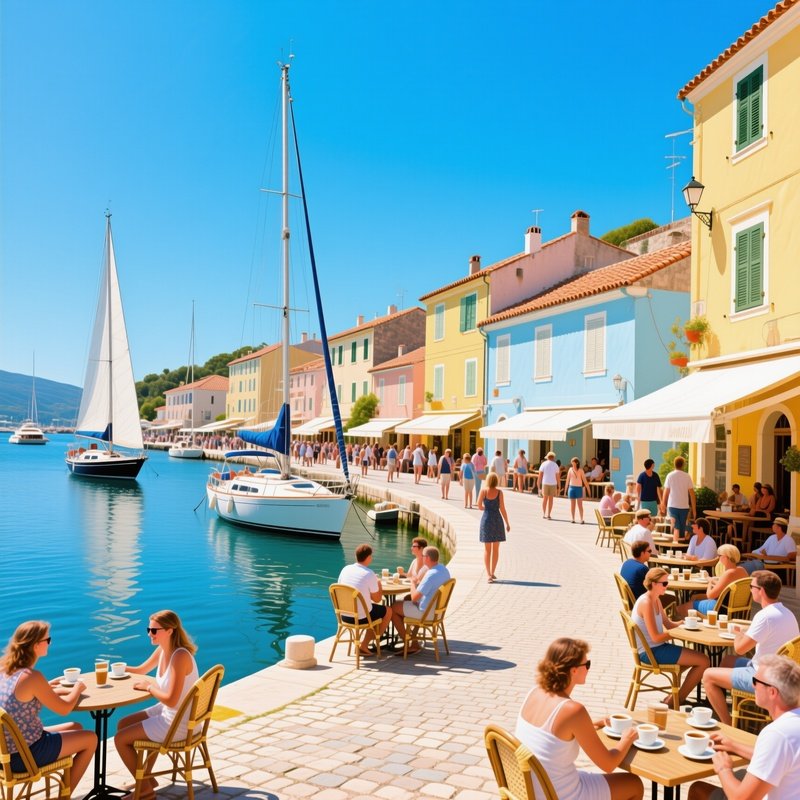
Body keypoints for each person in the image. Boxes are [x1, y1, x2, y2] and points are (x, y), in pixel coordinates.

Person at [515, 638, 643, 800]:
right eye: (587, 664)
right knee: (634, 784)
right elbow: (609, 764)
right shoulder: (573, 710)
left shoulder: (534, 693)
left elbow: (554, 734)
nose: (588, 669)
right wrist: (627, 738)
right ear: (574, 670)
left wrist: (594, 724)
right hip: (559, 794)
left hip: (533, 790)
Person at [0, 621, 96, 796]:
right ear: (36, 645)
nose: (50, 643)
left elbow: (19, 699)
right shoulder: (31, 677)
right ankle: (63, 796)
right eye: (48, 639)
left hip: (6, 752)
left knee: (75, 727)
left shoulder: (4, 669)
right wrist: (78, 688)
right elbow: (64, 708)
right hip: (25, 756)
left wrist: (47, 687)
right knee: (90, 738)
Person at [114, 610, 200, 800]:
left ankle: (144, 790)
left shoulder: (180, 657)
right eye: (148, 629)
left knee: (120, 739)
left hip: (179, 722)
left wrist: (150, 688)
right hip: (173, 712)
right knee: (123, 723)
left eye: (154, 630)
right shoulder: (163, 649)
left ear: (170, 630)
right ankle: (147, 778)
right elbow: (141, 669)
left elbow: (171, 699)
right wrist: (117, 670)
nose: (149, 634)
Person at [688, 654, 800, 800]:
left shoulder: (777, 734)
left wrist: (723, 768)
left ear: (772, 692)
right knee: (742, 774)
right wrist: (733, 746)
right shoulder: (790, 727)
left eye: (755, 680)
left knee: (698, 790)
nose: (753, 685)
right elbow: (778, 758)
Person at [702, 570, 800, 725]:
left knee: (708, 675)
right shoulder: (787, 613)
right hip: (782, 674)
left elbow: (740, 648)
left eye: (751, 586)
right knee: (727, 660)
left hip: (765, 678)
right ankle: (735, 708)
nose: (750, 589)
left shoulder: (764, 616)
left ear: (760, 591)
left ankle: (727, 724)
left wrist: (737, 633)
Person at [631, 568, 709, 707]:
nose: (667, 586)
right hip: (650, 652)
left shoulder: (655, 600)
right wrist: (678, 632)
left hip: (657, 648)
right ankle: (676, 700)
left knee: (696, 660)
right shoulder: (646, 603)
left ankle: (675, 696)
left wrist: (684, 623)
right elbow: (656, 637)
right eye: (665, 583)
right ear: (654, 584)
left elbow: (668, 624)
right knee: (703, 661)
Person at [334, 546, 392, 657]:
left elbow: (344, 588)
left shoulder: (345, 569)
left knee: (371, 610)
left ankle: (369, 642)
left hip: (344, 616)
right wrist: (378, 584)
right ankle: (367, 644)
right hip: (360, 618)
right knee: (388, 611)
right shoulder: (369, 573)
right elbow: (377, 599)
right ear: (369, 557)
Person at [391, 546, 451, 653]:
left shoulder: (431, 575)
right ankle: (413, 642)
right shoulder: (443, 570)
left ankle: (408, 643)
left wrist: (413, 583)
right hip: (437, 611)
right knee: (406, 599)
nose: (422, 558)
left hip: (426, 613)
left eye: (423, 556)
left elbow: (414, 598)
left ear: (427, 558)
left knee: (393, 608)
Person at [677, 543, 747, 619]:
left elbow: (710, 595)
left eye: (719, 556)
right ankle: (693, 618)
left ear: (725, 557)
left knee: (681, 609)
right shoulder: (742, 570)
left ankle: (688, 619)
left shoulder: (728, 574)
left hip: (720, 608)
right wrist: (710, 578)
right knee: (695, 597)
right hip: (736, 608)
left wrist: (710, 582)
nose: (718, 558)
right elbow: (726, 584)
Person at [477, 472, 511, 584]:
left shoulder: (483, 491)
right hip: (497, 520)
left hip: (486, 520)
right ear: (496, 481)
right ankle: (492, 572)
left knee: (487, 549)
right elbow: (503, 508)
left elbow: (479, 506)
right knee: (496, 549)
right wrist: (507, 523)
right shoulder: (499, 492)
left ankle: (488, 575)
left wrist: (486, 509)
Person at [660, 456, 695, 542]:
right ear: (683, 465)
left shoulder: (670, 475)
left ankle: (675, 546)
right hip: (684, 506)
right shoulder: (687, 476)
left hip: (672, 506)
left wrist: (663, 504)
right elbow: (692, 494)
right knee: (683, 529)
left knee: (675, 527)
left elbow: (666, 492)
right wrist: (694, 509)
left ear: (674, 465)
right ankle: (681, 548)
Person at [565, 457, 590, 524]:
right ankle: (573, 518)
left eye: (573, 463)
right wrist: (565, 490)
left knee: (580, 505)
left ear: (576, 463)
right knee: (572, 505)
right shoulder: (570, 469)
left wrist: (588, 489)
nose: (572, 464)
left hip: (579, 488)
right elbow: (567, 480)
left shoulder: (581, 470)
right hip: (571, 488)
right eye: (571, 463)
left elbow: (584, 481)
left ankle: (581, 519)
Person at [538, 451, 560, 520]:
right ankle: (549, 514)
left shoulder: (543, 464)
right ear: (553, 458)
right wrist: (559, 486)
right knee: (551, 499)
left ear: (547, 457)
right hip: (553, 484)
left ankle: (544, 513)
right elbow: (557, 477)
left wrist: (538, 484)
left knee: (545, 499)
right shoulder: (555, 465)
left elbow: (540, 476)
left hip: (545, 483)